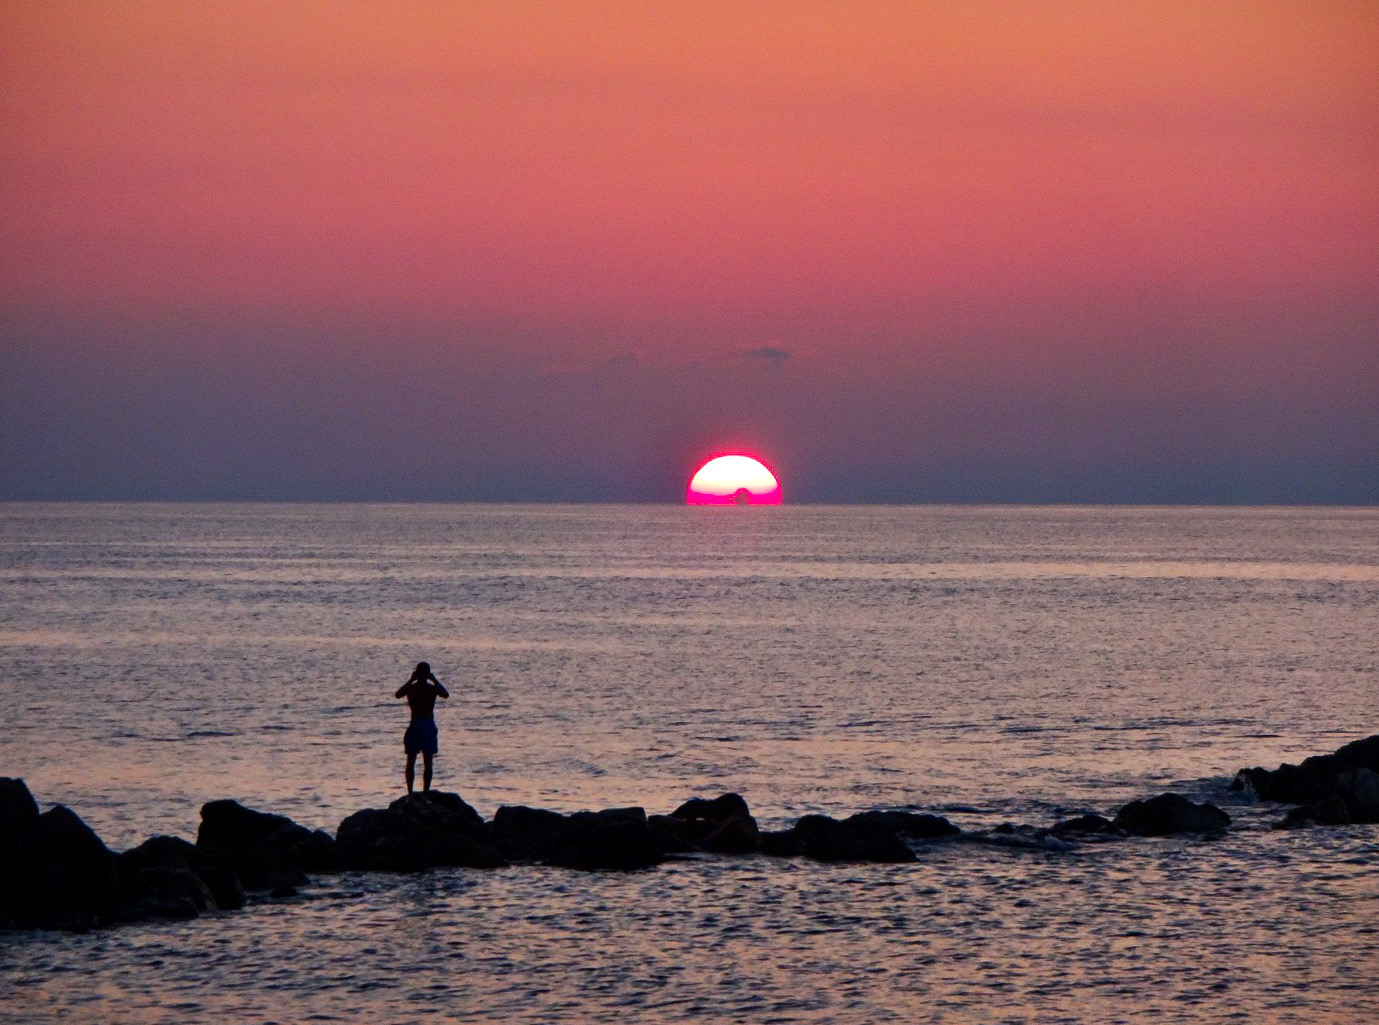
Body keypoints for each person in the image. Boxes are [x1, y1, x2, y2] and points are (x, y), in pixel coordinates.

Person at [395, 661, 449, 794]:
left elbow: (398, 694)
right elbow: (445, 694)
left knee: (412, 761)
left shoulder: (412, 688)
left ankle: (412, 794)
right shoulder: (431, 689)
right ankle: (424, 794)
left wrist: (411, 680)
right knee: (426, 762)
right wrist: (434, 679)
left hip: (417, 724)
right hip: (426, 724)